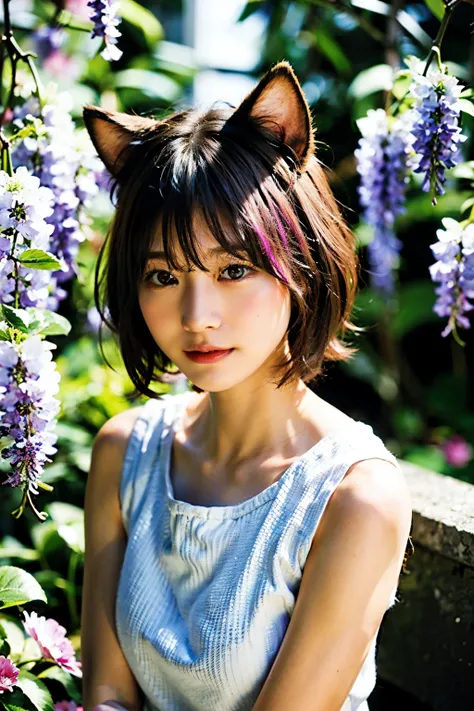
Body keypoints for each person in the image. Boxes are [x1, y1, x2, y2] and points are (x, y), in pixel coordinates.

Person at [80, 61, 413, 711]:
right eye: (162, 275)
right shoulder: (125, 453)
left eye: (234, 267)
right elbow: (107, 696)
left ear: (301, 257)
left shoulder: (355, 494)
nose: (196, 314)